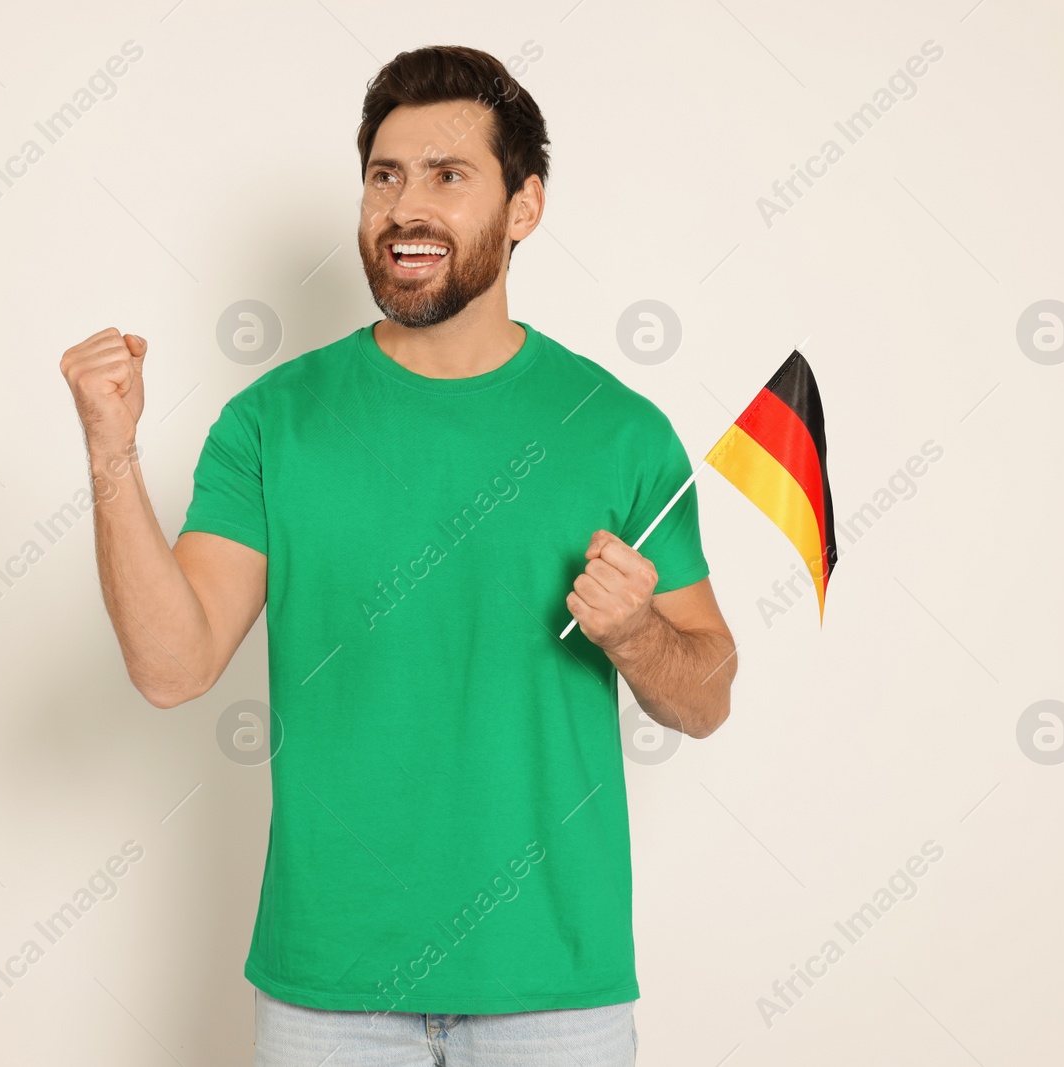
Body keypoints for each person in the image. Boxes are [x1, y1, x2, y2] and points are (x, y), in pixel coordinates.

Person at [59, 43, 738, 1067]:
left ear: (525, 206)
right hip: (330, 992)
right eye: (384, 175)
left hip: (552, 986)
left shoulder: (618, 430)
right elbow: (171, 665)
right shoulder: (272, 423)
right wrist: (112, 452)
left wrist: (637, 629)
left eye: (448, 175)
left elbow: (705, 695)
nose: (404, 206)